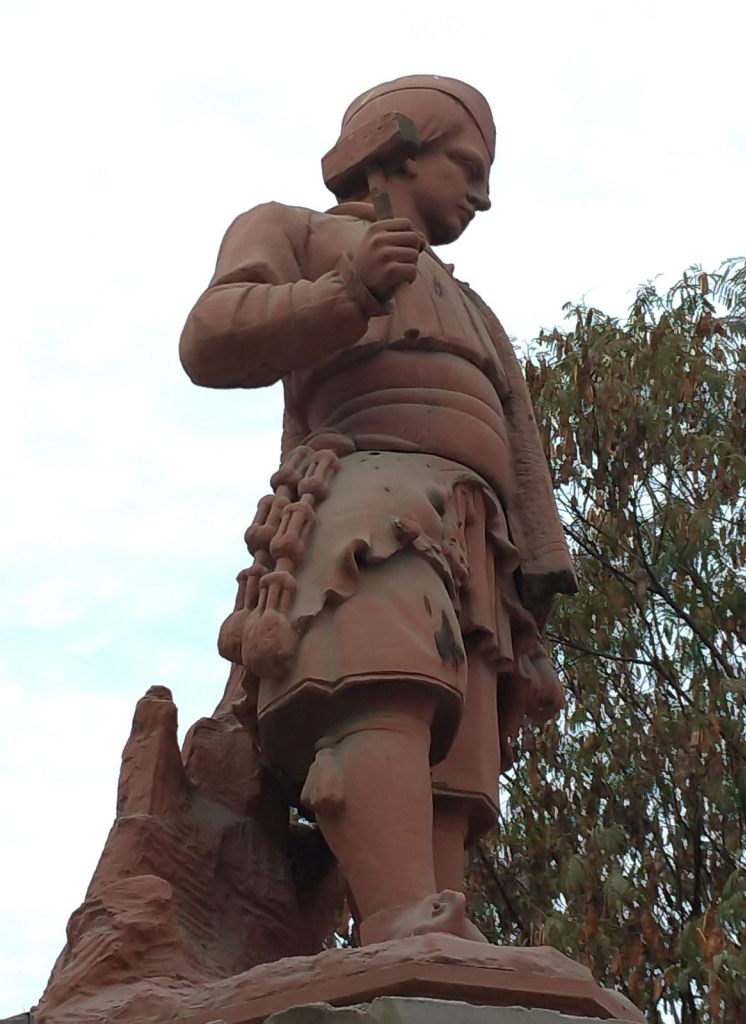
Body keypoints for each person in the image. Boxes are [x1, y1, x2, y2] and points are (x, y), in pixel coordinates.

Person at [180, 75, 576, 945]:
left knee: (462, 743)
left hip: (479, 533)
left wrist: (538, 568)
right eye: (464, 166)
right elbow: (210, 337)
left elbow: (516, 435)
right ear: (397, 147)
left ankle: (437, 916)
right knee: (382, 679)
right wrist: (343, 292)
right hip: (366, 494)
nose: (481, 195)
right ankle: (396, 911)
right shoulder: (299, 231)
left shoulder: (474, 307)